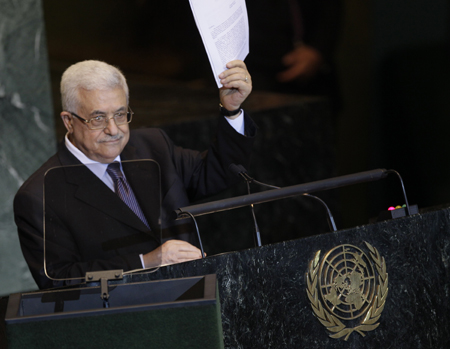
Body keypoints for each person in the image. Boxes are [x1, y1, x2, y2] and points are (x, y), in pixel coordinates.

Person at [14, 59, 256, 289]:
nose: (113, 129)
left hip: (192, 298)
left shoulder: (153, 145)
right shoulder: (40, 195)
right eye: (98, 118)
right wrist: (144, 262)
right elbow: (59, 280)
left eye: (120, 114)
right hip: (123, 322)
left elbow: (217, 173)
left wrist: (231, 110)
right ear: (68, 121)